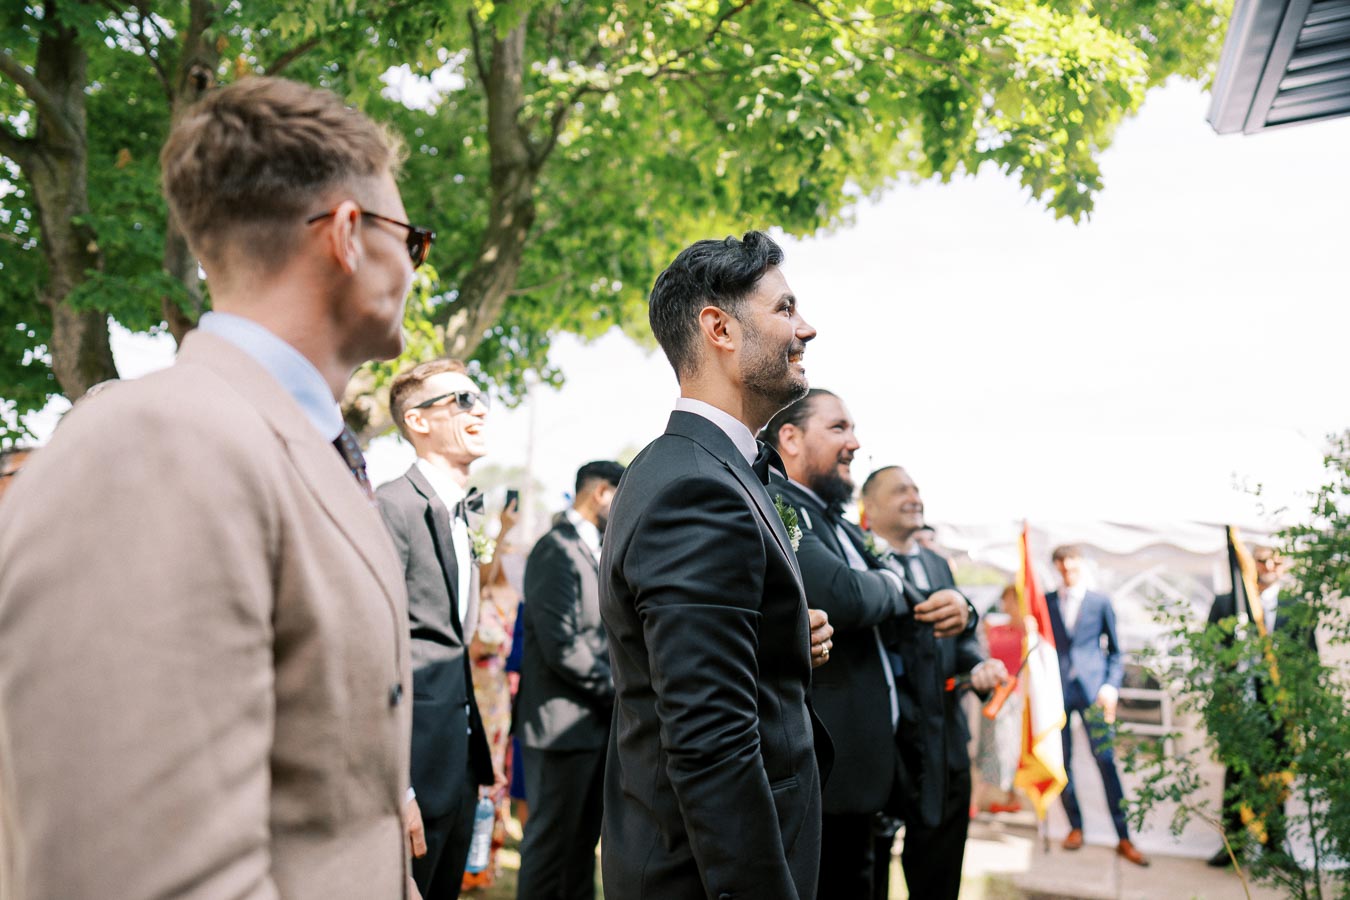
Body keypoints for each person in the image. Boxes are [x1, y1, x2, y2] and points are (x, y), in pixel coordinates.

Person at [0, 76, 421, 898]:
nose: (412, 264)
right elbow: (139, 872)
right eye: (414, 237)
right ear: (346, 234)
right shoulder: (155, 444)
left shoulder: (293, 445)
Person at [599, 231, 834, 899]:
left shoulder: (692, 468)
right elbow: (711, 744)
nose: (807, 328)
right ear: (718, 328)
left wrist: (782, 633)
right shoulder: (695, 489)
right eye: (785, 308)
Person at [761, 391, 973, 899]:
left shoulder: (832, 520)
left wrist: (965, 606)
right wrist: (894, 586)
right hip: (829, 775)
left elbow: (905, 586)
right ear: (789, 437)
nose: (854, 443)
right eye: (838, 429)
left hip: (870, 775)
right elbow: (845, 595)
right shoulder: (781, 505)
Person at [378, 359, 498, 900]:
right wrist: (396, 786)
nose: (480, 409)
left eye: (480, 397)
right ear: (417, 421)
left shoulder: (466, 515)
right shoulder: (391, 506)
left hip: (460, 766)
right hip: (411, 772)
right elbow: (375, 648)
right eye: (462, 400)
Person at [861, 465, 1004, 900]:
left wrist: (979, 666)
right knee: (868, 875)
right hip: (882, 742)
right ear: (869, 506)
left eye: (917, 489)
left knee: (940, 871)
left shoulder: (938, 564)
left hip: (943, 739)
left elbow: (963, 641)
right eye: (900, 489)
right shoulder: (859, 559)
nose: (914, 497)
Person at [516, 460, 625, 899]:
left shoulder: (597, 547)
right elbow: (562, 645)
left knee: (581, 849)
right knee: (549, 851)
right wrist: (619, 693)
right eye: (619, 496)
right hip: (560, 728)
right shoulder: (554, 548)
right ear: (600, 492)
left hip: (592, 726)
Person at [1205, 543, 1317, 867]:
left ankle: (1274, 845)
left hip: (1279, 707)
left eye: (1276, 560)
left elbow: (1309, 658)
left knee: (1276, 774)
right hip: (1238, 705)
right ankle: (1233, 845)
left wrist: (1301, 704)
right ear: (1249, 564)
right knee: (1236, 774)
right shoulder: (1227, 603)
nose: (1269, 566)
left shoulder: (1298, 607)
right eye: (1262, 560)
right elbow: (1210, 649)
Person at [1045, 544, 1149, 866]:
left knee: (1105, 761)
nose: (1066, 568)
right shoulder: (1046, 602)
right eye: (1061, 563)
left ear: (1080, 564)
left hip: (1093, 692)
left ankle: (1123, 835)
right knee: (1062, 763)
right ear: (1056, 567)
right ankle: (1075, 826)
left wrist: (1109, 686)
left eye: (1071, 562)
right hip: (1057, 692)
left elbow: (1116, 652)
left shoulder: (1100, 601)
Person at [461, 497, 522, 892]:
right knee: (475, 776)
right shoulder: (474, 600)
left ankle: (484, 860)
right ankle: (466, 860)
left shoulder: (507, 600)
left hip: (498, 702)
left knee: (496, 778)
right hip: (475, 700)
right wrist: (501, 531)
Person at [975, 585, 1026, 814]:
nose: (1007, 606)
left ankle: (982, 797)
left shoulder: (1027, 632)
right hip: (993, 694)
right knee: (990, 743)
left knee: (1004, 744)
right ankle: (996, 795)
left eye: (1011, 601)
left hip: (1011, 696)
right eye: (1005, 601)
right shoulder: (994, 628)